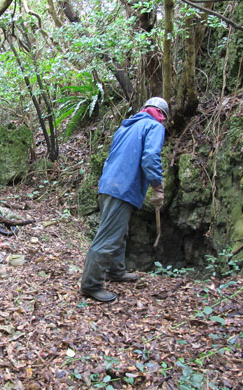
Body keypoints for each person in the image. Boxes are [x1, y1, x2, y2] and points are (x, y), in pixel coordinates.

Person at [80, 97, 168, 302]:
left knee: (119, 232)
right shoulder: (154, 127)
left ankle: (115, 271)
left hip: (109, 185)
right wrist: (158, 186)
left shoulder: (126, 127)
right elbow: (150, 157)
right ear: (162, 115)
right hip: (123, 187)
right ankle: (90, 285)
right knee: (108, 238)